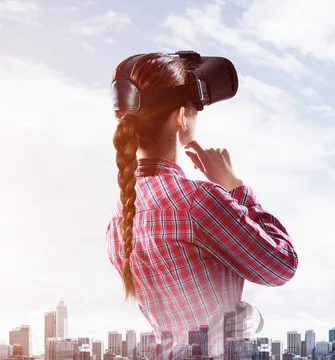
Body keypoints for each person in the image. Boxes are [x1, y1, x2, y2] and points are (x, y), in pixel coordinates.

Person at [105, 52, 298, 358]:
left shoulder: (119, 221)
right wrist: (234, 186)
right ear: (181, 117)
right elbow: (280, 266)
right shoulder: (198, 202)